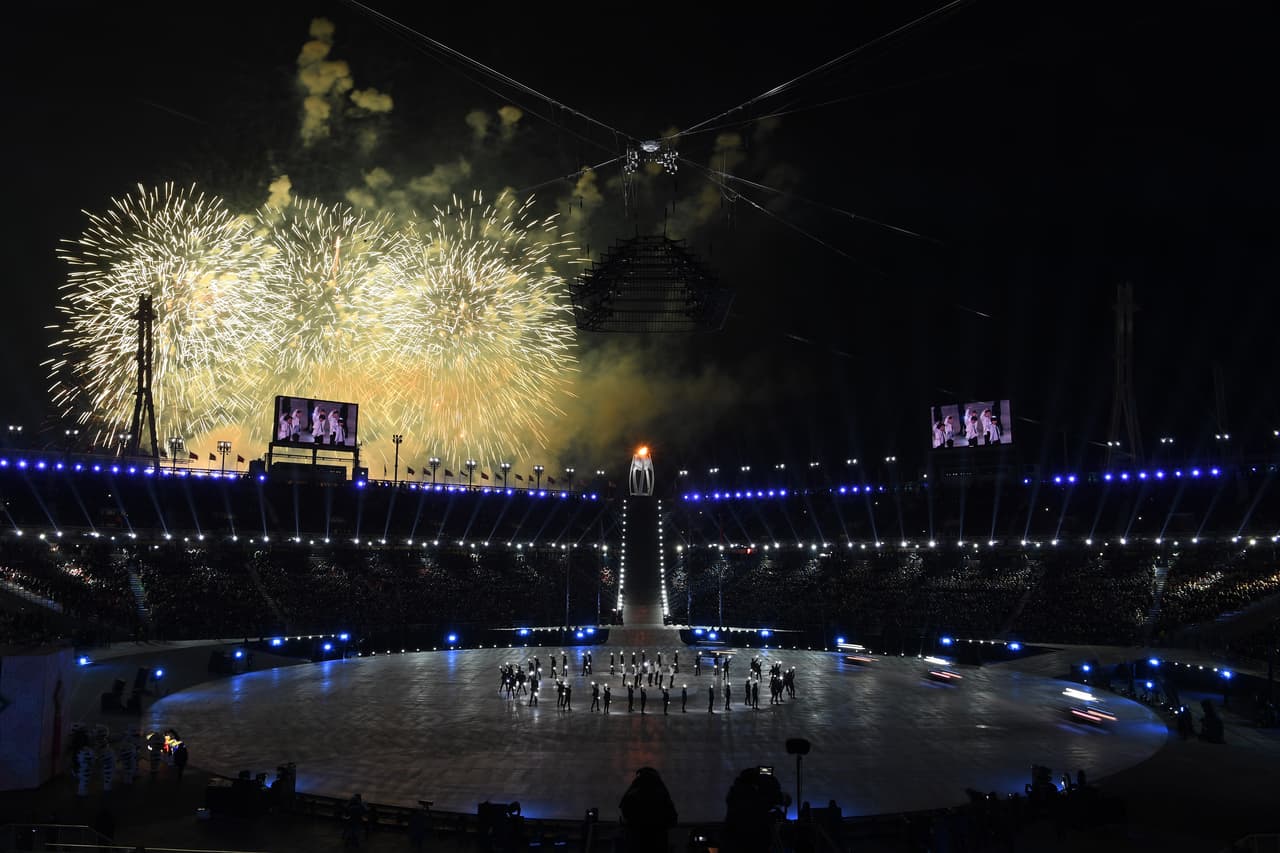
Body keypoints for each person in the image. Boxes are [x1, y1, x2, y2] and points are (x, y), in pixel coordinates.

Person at [619, 768, 678, 853]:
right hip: (657, 840)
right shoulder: (661, 793)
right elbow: (672, 818)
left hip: (637, 840)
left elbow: (624, 809)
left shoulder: (633, 792)